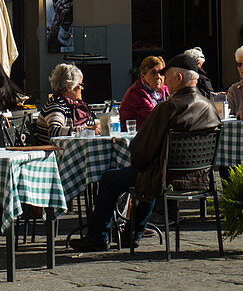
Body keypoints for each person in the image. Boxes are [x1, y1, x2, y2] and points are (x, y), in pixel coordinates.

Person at [79, 53, 221, 251]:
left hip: (164, 176)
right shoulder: (210, 108)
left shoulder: (168, 107)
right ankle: (132, 234)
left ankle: (99, 238)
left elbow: (141, 150)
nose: (164, 81)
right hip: (199, 176)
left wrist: (143, 161)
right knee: (151, 172)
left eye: (167, 76)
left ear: (178, 78)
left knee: (111, 179)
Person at [35, 63, 95, 141]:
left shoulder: (68, 104)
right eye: (79, 85)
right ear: (68, 86)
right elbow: (54, 131)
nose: (82, 88)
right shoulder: (55, 105)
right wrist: (85, 130)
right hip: (54, 151)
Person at [120, 56, 168, 130]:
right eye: (153, 73)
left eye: (161, 73)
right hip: (135, 137)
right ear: (143, 75)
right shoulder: (136, 92)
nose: (158, 77)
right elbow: (154, 117)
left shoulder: (165, 89)